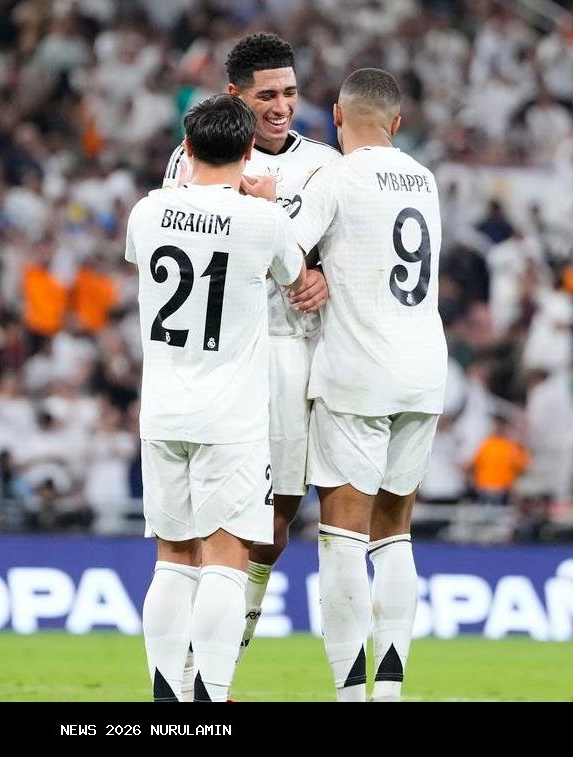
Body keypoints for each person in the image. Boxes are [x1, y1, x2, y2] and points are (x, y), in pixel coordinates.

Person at [248, 68, 447, 702]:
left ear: (337, 117)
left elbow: (284, 252)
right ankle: (388, 693)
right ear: (396, 123)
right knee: (395, 534)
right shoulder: (424, 179)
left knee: (342, 539)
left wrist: (265, 210)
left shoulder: (335, 176)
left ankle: (349, 692)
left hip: (359, 372)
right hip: (425, 371)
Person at [129, 93, 317, 702]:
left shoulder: (146, 212)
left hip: (162, 411)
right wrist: (267, 202)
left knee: (172, 558)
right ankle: (209, 699)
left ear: (186, 148)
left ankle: (167, 701)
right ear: (248, 150)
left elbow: (151, 253)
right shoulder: (262, 220)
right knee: (225, 560)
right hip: (231, 417)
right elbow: (296, 278)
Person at [163, 32, 338, 678]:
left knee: (273, 526)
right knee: (201, 529)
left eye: (290, 92)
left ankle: (215, 672)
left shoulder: (324, 164)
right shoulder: (192, 159)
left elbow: (347, 251)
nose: (282, 106)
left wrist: (328, 276)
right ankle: (189, 679)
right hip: (219, 355)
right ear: (235, 95)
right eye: (267, 96)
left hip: (288, 352)